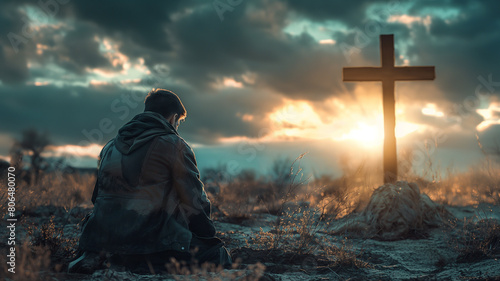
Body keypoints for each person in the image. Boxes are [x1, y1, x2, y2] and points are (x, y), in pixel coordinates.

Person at [68, 89, 232, 274]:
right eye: (178, 122)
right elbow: (194, 201)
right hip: (149, 242)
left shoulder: (110, 146)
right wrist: (207, 236)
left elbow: (96, 197)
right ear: (173, 118)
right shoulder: (173, 145)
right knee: (218, 254)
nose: (177, 127)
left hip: (99, 240)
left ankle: (108, 258)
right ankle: (140, 262)